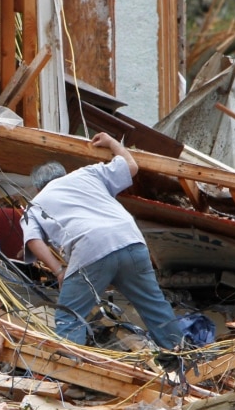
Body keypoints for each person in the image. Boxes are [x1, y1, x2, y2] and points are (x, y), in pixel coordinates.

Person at [20, 132, 183, 350]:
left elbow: (33, 240)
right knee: (154, 307)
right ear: (63, 174)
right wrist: (112, 143)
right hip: (131, 240)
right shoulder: (87, 173)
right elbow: (131, 166)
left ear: (38, 186)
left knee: (69, 317)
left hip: (91, 249)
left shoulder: (35, 203)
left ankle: (71, 373)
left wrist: (59, 271)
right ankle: (182, 358)